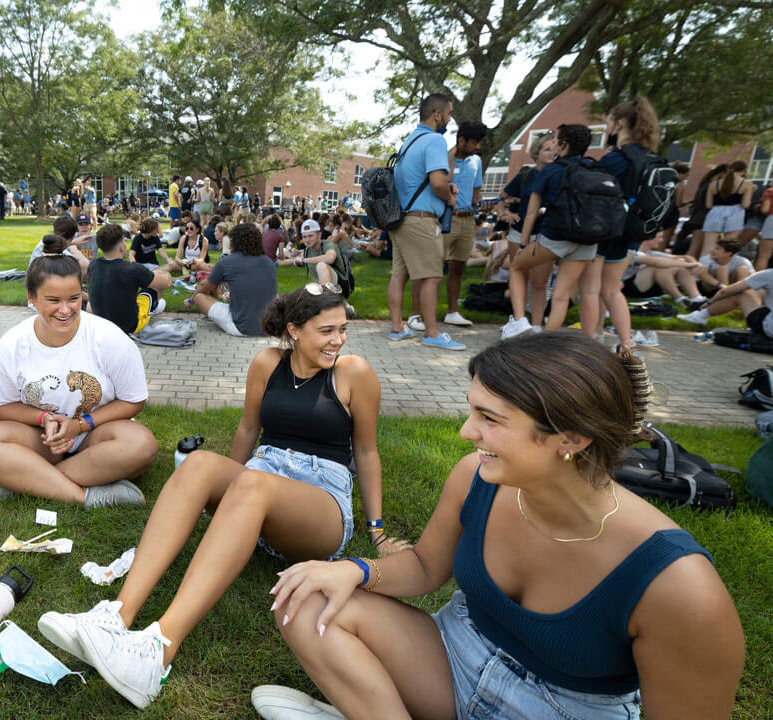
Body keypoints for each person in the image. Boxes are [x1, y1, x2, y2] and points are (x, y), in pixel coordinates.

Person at [259, 333, 745, 720]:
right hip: (452, 657)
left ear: (571, 438)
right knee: (306, 599)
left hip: (565, 708)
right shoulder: (477, 478)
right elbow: (428, 566)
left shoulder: (677, 586)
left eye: (489, 418)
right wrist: (357, 572)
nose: (467, 432)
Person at [39, 286, 388, 709]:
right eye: (327, 330)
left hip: (319, 501)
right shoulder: (266, 364)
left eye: (343, 330)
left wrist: (377, 529)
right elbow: (246, 431)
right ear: (294, 331)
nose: (339, 340)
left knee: (252, 484)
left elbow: (366, 453)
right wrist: (221, 491)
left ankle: (158, 651)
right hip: (260, 483)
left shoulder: (354, 373)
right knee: (201, 463)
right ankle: (115, 616)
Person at [0, 243, 157, 508]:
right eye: (53, 300)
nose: (65, 310)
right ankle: (84, 496)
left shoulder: (110, 338)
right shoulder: (11, 345)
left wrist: (80, 425)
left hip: (96, 433)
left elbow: (134, 401)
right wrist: (44, 418)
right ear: (31, 297)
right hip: (41, 436)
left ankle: (21, 481)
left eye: (74, 298)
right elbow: (1, 405)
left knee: (142, 445)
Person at [580, 97, 662, 350]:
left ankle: (588, 344)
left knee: (590, 289)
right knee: (613, 289)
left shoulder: (614, 159)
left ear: (620, 124)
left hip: (603, 231)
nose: (606, 128)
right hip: (632, 233)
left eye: (607, 123)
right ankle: (626, 345)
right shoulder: (651, 158)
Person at [386, 93, 465, 351]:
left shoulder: (410, 141)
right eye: (449, 114)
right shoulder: (434, 140)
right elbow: (437, 182)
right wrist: (450, 198)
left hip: (400, 219)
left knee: (399, 275)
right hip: (421, 220)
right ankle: (432, 333)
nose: (450, 120)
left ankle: (397, 327)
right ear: (437, 114)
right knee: (432, 277)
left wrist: (442, 186)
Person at [513, 123, 598, 334]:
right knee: (561, 294)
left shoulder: (552, 170)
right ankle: (546, 343)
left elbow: (531, 213)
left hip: (556, 237)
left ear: (564, 144)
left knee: (516, 267)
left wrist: (524, 243)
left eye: (557, 140)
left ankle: (520, 322)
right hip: (587, 241)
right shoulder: (595, 168)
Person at [679, 236, 773, 339]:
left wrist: (707, 304)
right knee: (766, 292)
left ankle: (700, 316)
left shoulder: (771, 274)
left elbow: (726, 291)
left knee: (743, 291)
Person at [496, 132, 558, 338]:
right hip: (519, 233)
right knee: (519, 276)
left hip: (544, 236)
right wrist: (505, 214)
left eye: (555, 149)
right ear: (536, 152)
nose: (552, 153)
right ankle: (518, 320)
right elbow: (500, 198)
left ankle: (538, 326)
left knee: (540, 282)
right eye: (547, 149)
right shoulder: (525, 176)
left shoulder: (558, 175)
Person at [190, 222, 278, 337]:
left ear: (234, 241)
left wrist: (190, 300)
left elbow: (203, 288)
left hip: (241, 327)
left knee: (199, 297)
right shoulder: (268, 262)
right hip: (268, 328)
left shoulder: (227, 262)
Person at [442, 120, 489, 328]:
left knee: (458, 267)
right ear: (461, 140)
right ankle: (418, 314)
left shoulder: (476, 161)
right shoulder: (444, 157)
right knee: (432, 268)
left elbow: (476, 193)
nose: (478, 147)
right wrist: (451, 154)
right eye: (475, 142)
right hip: (446, 218)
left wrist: (481, 205)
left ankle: (452, 312)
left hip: (468, 219)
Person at [88, 224, 170, 334]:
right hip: (129, 326)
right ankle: (154, 307)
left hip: (102, 323)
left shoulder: (93, 265)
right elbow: (167, 283)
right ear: (121, 246)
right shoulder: (132, 269)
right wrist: (160, 272)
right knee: (154, 288)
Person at [702, 161, 754, 249]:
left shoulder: (714, 184)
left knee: (708, 246)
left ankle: (704, 262)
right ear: (744, 170)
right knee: (726, 247)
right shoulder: (747, 184)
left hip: (715, 212)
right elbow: (745, 205)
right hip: (736, 213)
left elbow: (708, 205)